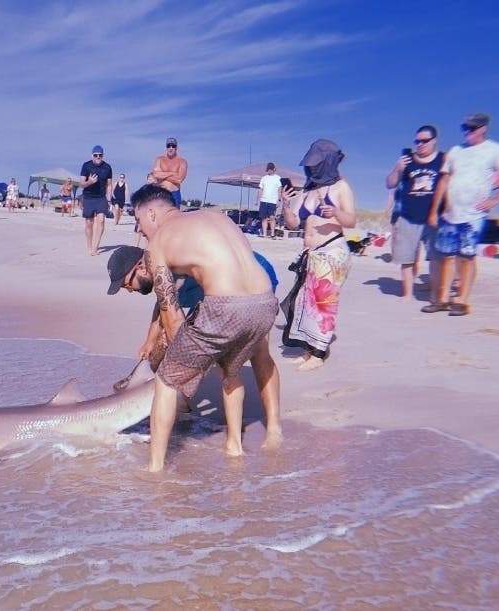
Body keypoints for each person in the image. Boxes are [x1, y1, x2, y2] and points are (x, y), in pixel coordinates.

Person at [128, 184, 280, 472]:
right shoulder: (217, 217)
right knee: (231, 369)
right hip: (264, 302)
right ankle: (234, 446)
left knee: (166, 381)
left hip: (225, 306)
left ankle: (154, 468)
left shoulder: (158, 242)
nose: (140, 229)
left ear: (151, 213)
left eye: (138, 221)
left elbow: (171, 317)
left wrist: (182, 365)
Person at [106, 245, 282, 452]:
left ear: (141, 267)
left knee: (255, 352)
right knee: (178, 343)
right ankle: (176, 404)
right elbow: (162, 305)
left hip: (251, 274)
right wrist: (149, 341)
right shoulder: (158, 269)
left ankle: (272, 428)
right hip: (211, 290)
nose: (128, 289)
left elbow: (177, 329)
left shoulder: (168, 264)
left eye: (127, 283)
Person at [423, 112, 499, 316]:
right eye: (464, 128)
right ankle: (441, 300)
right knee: (446, 256)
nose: (467, 132)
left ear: (483, 129)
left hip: (473, 215)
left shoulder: (494, 150)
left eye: (472, 128)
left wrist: (497, 199)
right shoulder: (456, 151)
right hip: (450, 214)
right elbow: (443, 181)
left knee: (466, 256)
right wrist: (434, 211)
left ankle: (461, 301)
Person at [281, 139, 357, 372]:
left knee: (323, 304)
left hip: (332, 251)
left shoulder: (341, 188)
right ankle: (309, 349)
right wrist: (285, 204)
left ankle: (319, 353)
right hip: (311, 254)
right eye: (310, 165)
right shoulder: (307, 191)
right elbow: (292, 223)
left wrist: (335, 212)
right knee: (306, 303)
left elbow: (351, 221)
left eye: (316, 165)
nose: (312, 169)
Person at [385, 125, 446, 302]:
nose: (420, 144)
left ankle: (435, 294)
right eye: (417, 141)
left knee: (435, 258)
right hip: (408, 216)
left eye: (424, 141)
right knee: (407, 258)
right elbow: (390, 184)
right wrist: (397, 169)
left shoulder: (443, 159)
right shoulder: (407, 160)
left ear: (434, 140)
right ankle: (407, 294)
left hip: (434, 217)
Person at [79, 145, 113, 255]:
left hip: (101, 198)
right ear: (92, 155)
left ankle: (95, 247)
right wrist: (90, 182)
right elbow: (81, 184)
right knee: (89, 223)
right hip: (88, 197)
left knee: (101, 220)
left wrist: (109, 200)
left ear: (103, 155)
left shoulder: (107, 167)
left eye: (100, 155)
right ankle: (89, 246)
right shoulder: (86, 166)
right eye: (96, 155)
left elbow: (109, 185)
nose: (98, 157)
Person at [150, 138, 188, 208]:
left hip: (174, 193)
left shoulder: (182, 161)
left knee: (175, 217)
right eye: (168, 146)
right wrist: (172, 173)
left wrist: (162, 174)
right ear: (166, 147)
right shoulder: (160, 159)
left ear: (176, 148)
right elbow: (155, 174)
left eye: (173, 146)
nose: (171, 148)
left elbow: (179, 179)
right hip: (161, 192)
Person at [256, 162, 282, 238]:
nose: (269, 171)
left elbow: (280, 189)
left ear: (274, 169)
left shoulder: (278, 178)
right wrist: (257, 200)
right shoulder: (264, 178)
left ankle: (272, 234)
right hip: (263, 200)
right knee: (263, 217)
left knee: (272, 217)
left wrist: (279, 200)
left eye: (271, 169)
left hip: (273, 201)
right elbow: (260, 189)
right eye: (268, 169)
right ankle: (264, 234)